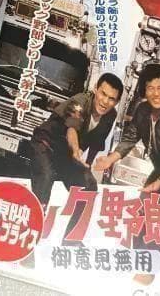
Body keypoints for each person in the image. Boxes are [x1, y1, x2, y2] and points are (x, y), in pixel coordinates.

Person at [28, 73, 123, 236]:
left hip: (66, 155)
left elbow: (96, 143)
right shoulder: (80, 101)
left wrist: (87, 166)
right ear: (95, 89)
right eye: (103, 94)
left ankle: (71, 238)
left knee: (89, 186)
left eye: (111, 99)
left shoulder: (110, 116)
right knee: (46, 176)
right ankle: (32, 232)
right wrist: (76, 150)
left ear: (117, 102)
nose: (105, 101)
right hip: (46, 144)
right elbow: (71, 129)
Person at [92, 65, 160, 202]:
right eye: (150, 88)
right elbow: (130, 138)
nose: (156, 94)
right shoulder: (142, 110)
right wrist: (110, 159)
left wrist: (159, 182)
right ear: (144, 91)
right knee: (144, 204)